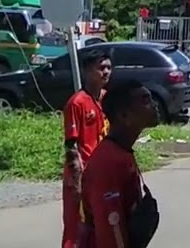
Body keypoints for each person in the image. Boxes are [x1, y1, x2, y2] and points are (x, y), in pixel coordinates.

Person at [81, 79, 160, 248]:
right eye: (145, 101)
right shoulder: (109, 163)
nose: (154, 105)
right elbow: (111, 231)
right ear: (124, 116)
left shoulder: (122, 152)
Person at [62, 52, 112, 248]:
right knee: (76, 230)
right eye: (101, 68)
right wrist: (78, 184)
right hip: (82, 178)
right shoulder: (77, 103)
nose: (106, 72)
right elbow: (71, 146)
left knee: (101, 227)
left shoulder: (108, 100)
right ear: (87, 71)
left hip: (103, 176)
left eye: (108, 67)